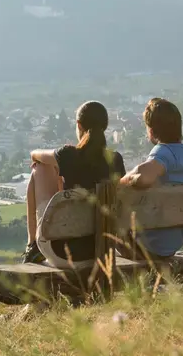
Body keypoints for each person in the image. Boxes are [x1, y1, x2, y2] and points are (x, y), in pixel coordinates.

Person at [21, 100, 127, 265]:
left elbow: (36, 154)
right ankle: (33, 246)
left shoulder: (68, 154)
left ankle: (32, 246)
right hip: (104, 249)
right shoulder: (116, 159)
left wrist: (45, 160)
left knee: (40, 169)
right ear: (105, 127)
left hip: (63, 254)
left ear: (79, 125)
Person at [119, 97, 183, 259]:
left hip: (147, 245)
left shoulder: (163, 152)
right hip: (173, 243)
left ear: (151, 131)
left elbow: (143, 177)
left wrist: (122, 182)